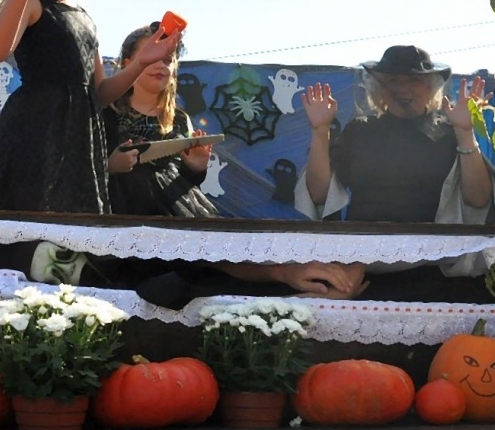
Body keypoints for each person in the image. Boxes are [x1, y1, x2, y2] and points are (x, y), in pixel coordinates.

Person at [104, 23, 367, 301]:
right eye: (151, 55)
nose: (160, 64)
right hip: (133, 223)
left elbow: (182, 182)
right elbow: (83, 175)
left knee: (226, 262)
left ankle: (309, 286)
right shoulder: (106, 115)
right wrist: (110, 166)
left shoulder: (179, 119)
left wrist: (197, 168)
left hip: (181, 214)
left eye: (168, 59)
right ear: (128, 63)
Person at [0, 0, 179, 214]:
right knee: (30, 217)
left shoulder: (86, 19)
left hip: (80, 140)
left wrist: (139, 64)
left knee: (75, 226)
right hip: (36, 131)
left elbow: (98, 93)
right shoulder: (31, 2)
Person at [299, 44, 495, 225]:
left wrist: (465, 132)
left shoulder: (448, 132)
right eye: (393, 81)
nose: (402, 88)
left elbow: (478, 201)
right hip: (364, 258)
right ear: (379, 88)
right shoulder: (359, 131)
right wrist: (320, 131)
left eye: (414, 80)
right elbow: (319, 196)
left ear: (431, 87)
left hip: (433, 260)